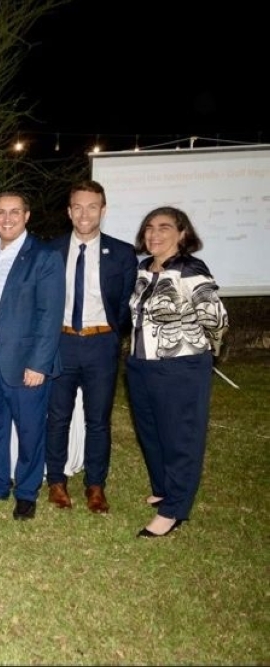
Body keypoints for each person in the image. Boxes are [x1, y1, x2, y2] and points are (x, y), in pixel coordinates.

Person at [127, 206, 228, 538]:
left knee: (180, 437)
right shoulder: (144, 268)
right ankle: (164, 489)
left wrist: (202, 353)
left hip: (180, 367)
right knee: (152, 432)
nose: (155, 234)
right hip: (141, 365)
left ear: (182, 234)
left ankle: (174, 510)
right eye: (150, 228)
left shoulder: (190, 269)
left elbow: (215, 319)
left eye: (164, 227)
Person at [0, 191, 64, 520]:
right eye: (0, 213)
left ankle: (26, 492)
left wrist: (39, 363)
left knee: (29, 429)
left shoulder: (44, 256)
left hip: (25, 361)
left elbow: (50, 315)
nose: (6, 218)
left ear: (27, 216)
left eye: (13, 212)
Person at [46, 180, 138, 513]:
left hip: (101, 345)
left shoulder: (123, 253)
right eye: (78, 207)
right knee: (57, 418)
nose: (85, 213)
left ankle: (95, 486)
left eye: (92, 206)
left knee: (98, 420)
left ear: (103, 210)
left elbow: (127, 305)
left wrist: (112, 336)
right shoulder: (51, 251)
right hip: (61, 343)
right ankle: (56, 481)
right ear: (69, 212)